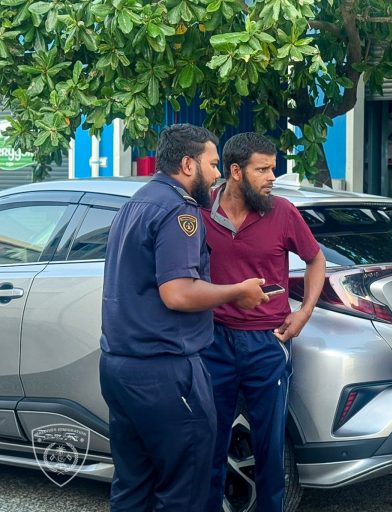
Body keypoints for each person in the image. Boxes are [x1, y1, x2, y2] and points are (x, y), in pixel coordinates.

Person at [100, 123, 269, 511]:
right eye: (212, 164)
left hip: (119, 368)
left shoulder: (135, 203)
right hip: (165, 372)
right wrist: (237, 291)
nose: (217, 174)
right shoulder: (179, 209)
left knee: (133, 486)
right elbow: (177, 292)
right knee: (184, 489)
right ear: (188, 164)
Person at [201, 132, 326, 512]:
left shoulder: (283, 212)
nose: (272, 177)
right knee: (209, 444)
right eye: (263, 169)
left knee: (270, 449)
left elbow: (315, 259)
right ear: (236, 171)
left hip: (267, 342)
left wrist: (304, 312)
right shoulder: (201, 210)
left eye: (273, 168)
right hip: (213, 342)